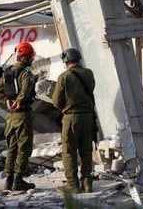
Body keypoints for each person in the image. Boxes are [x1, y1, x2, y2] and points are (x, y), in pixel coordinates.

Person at [0, 41, 37, 191]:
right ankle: (18, 179)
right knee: (24, 147)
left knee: (11, 147)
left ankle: (9, 179)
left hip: (10, 117)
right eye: (30, 57)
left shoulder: (7, 72)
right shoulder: (26, 74)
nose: (32, 59)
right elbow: (25, 91)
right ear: (24, 57)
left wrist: (6, 101)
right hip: (23, 116)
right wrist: (19, 102)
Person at [52, 47, 96, 194]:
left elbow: (57, 101)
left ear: (66, 60)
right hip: (88, 116)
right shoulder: (89, 73)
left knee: (69, 152)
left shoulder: (64, 77)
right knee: (86, 150)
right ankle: (87, 183)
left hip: (71, 117)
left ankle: (73, 185)